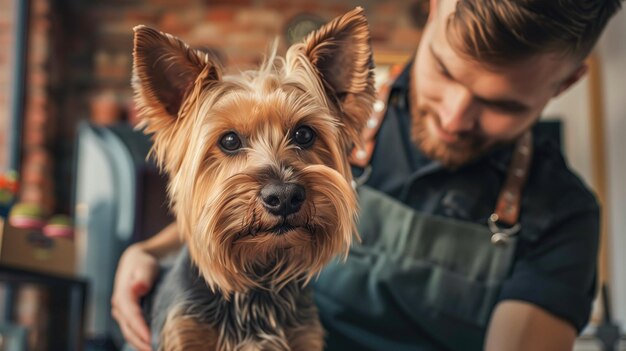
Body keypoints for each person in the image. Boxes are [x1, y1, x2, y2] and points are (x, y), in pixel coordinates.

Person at [111, 1, 623, 350]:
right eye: (445, 72)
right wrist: (150, 250)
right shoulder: (338, 108)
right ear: (432, 7)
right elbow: (235, 213)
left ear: (564, 83)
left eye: (501, 105)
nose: (453, 116)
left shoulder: (564, 215)